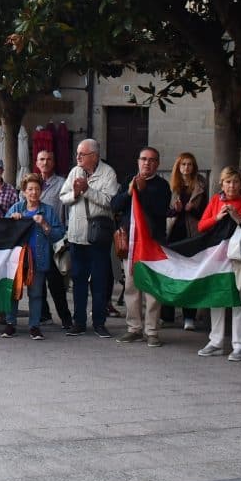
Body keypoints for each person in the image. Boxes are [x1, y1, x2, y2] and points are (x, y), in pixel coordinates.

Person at [196, 166, 241, 361]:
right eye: (228, 182)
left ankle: (240, 346)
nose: (232, 185)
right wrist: (217, 217)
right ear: (221, 184)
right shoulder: (216, 200)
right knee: (217, 299)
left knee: (238, 301)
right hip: (217, 258)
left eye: (235, 182)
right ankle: (215, 342)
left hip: (237, 259)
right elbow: (201, 226)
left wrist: (238, 219)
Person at [111, 147, 170, 347]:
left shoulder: (162, 185)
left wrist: (142, 192)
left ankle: (151, 330)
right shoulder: (129, 180)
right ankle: (134, 328)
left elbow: (161, 210)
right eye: (144, 159)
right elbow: (114, 206)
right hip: (131, 243)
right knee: (131, 286)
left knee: (152, 290)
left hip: (152, 244)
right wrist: (129, 192)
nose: (147, 163)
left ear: (157, 164)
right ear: (138, 161)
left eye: (152, 160)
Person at [61, 138, 119, 338]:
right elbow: (63, 196)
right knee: (78, 281)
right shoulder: (75, 171)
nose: (77, 157)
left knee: (100, 282)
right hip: (77, 236)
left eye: (82, 154)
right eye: (77, 153)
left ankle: (99, 323)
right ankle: (79, 322)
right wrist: (76, 193)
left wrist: (87, 190)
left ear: (94, 156)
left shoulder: (108, 173)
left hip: (98, 238)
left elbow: (109, 201)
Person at [7, 173, 64, 340]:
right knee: (14, 292)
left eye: (37, 189)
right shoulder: (17, 208)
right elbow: (4, 231)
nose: (33, 192)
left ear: (41, 191)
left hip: (38, 258)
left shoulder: (48, 210)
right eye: (30, 189)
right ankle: (10, 324)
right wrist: (12, 220)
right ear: (24, 191)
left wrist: (45, 224)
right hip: (18, 258)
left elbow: (58, 234)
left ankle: (34, 326)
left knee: (37, 293)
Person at [166, 152, 207, 330]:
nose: (186, 168)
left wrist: (191, 210)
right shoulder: (171, 186)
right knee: (171, 273)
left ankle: (189, 316)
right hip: (173, 233)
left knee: (190, 275)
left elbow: (206, 213)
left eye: (190, 164)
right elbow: (165, 212)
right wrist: (175, 210)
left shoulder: (200, 185)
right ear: (178, 166)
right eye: (183, 164)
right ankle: (166, 315)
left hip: (192, 234)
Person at [33, 149, 70, 326]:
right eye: (42, 159)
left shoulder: (62, 183)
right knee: (37, 283)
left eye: (49, 159)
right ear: (37, 162)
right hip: (35, 240)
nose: (45, 162)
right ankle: (43, 314)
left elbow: (67, 211)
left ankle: (65, 318)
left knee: (56, 284)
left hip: (54, 239)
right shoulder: (30, 182)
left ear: (53, 162)